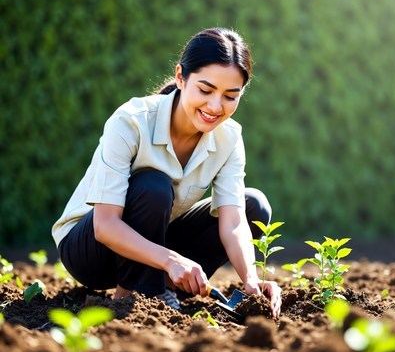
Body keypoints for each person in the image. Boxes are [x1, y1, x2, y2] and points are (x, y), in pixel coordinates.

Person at [52, 27, 282, 317]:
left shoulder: (230, 138)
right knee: (153, 185)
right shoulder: (132, 122)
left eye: (230, 96)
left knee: (253, 205)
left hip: (156, 245)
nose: (215, 106)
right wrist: (171, 260)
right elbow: (105, 225)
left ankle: (162, 288)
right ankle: (132, 296)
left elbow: (233, 223)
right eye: (205, 90)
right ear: (180, 77)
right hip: (92, 251)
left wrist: (251, 282)